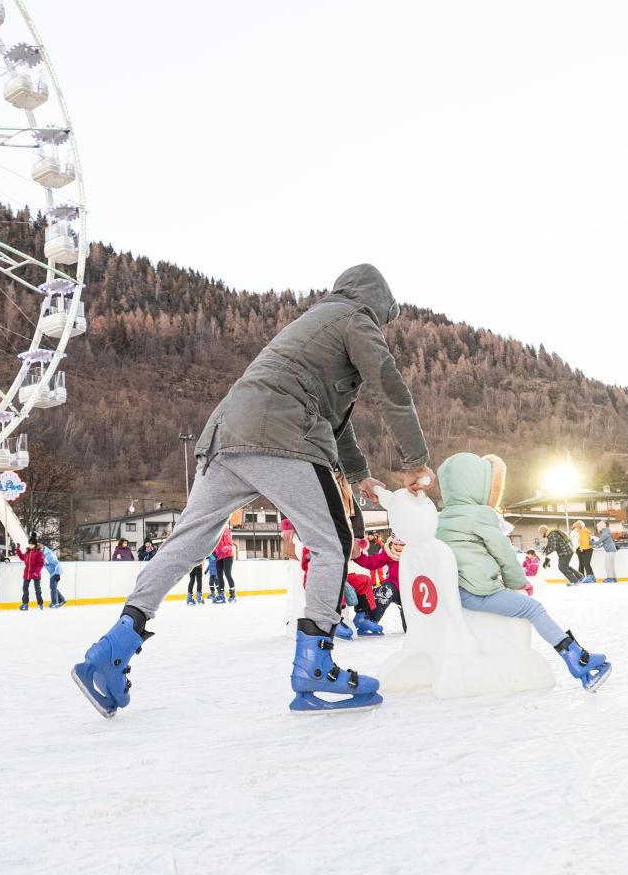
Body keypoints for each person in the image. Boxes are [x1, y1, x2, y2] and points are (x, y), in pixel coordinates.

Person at [72, 263, 431, 717]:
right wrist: (414, 461)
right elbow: (390, 386)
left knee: (188, 541)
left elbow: (334, 421)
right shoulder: (356, 318)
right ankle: (315, 665)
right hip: (280, 435)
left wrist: (360, 477)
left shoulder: (310, 326)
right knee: (332, 542)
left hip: (225, 433)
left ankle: (114, 647)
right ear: (377, 304)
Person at [437, 452, 611, 689]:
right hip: (478, 591)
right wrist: (518, 582)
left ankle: (574, 655)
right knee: (533, 608)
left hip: (455, 590)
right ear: (478, 484)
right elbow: (503, 552)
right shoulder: (480, 514)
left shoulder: (442, 517)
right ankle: (576, 657)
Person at [19, 540, 47, 611]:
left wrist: (36, 573)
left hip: (35, 573)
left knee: (37, 589)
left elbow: (41, 564)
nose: (30, 545)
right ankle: (25, 604)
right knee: (25, 588)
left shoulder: (39, 553)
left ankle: (40, 604)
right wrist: (18, 550)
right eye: (29, 544)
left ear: (35, 545)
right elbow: (23, 557)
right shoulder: (28, 552)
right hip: (27, 573)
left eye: (31, 544)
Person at [212, 525, 238, 602]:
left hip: (227, 555)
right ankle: (221, 594)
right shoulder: (215, 533)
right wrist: (213, 553)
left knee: (227, 574)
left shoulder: (226, 531)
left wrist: (220, 552)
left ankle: (232, 594)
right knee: (219, 575)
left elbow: (229, 545)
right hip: (219, 556)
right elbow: (214, 545)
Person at [571, 519, 594, 586]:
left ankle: (585, 577)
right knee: (582, 563)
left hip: (581, 548)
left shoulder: (581, 531)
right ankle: (582, 577)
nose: (577, 528)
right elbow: (576, 541)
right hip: (579, 548)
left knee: (584, 563)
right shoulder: (575, 532)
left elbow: (584, 540)